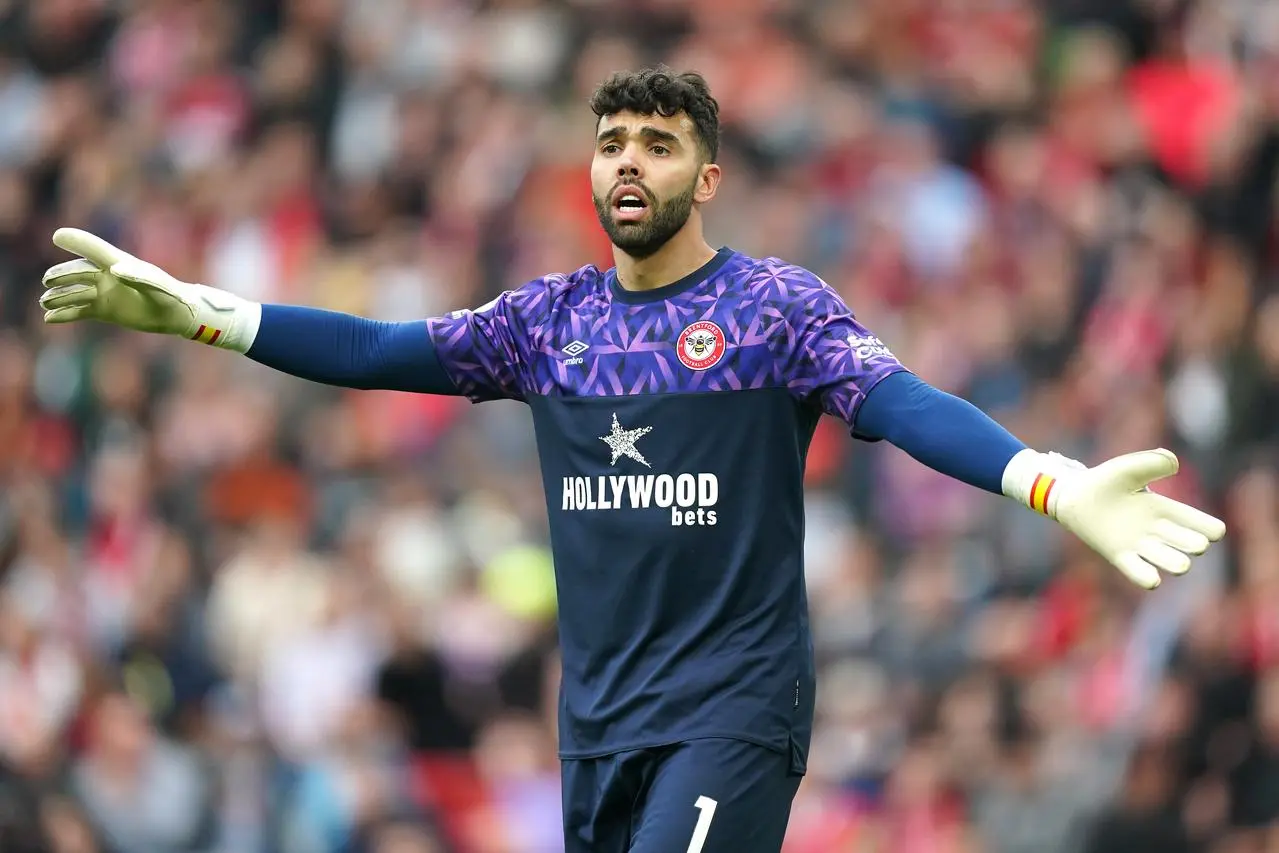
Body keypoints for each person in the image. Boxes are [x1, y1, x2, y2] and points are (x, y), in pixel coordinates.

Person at [37, 67, 1225, 853]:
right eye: (610, 143)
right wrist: (201, 312)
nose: (626, 163)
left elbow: (902, 404)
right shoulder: (547, 324)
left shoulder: (774, 312)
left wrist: (1052, 481)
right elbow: (373, 347)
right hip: (598, 726)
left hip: (733, 709)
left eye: (657, 145)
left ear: (704, 177)